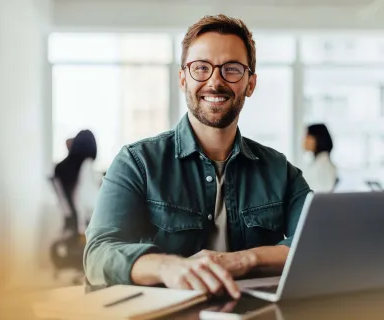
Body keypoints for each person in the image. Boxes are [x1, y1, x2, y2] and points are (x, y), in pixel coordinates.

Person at [84, 15, 311, 299]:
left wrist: (245, 259)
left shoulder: (281, 171)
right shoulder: (137, 162)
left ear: (250, 84)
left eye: (231, 69)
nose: (215, 82)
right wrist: (167, 266)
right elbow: (99, 254)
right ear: (183, 79)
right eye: (201, 68)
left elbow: (316, 244)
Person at [55, 130, 99, 235]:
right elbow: (90, 202)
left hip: (71, 222)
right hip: (86, 225)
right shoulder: (86, 165)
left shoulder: (60, 167)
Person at [302, 124, 337, 192]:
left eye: (308, 136)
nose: (304, 140)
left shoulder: (324, 165)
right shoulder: (318, 162)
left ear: (317, 138)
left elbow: (322, 195)